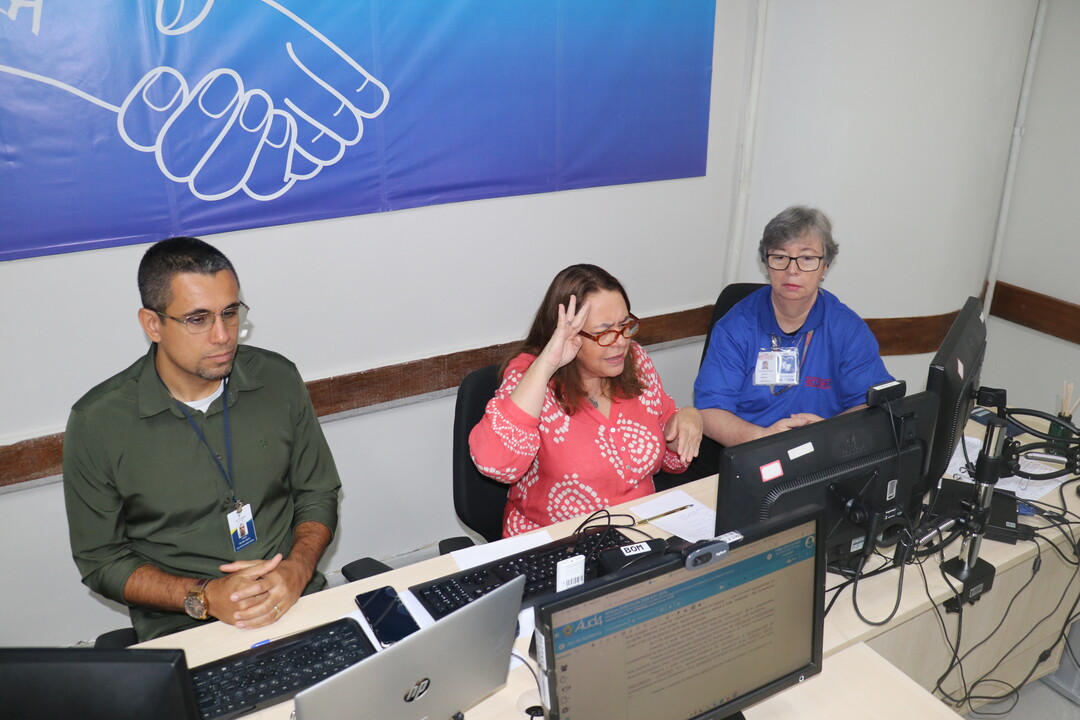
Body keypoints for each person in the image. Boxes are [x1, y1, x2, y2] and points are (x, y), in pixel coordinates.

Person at [63, 237, 341, 641]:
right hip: (185, 625)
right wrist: (205, 596)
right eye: (198, 319)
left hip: (296, 599)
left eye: (230, 313)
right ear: (153, 324)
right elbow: (101, 560)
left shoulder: (277, 379)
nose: (223, 335)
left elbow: (318, 492)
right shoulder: (99, 422)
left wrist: (296, 571)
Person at [470, 264, 703, 537]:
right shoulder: (530, 378)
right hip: (557, 541)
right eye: (604, 332)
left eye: (624, 325)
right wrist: (547, 365)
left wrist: (686, 419)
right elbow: (497, 465)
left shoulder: (635, 361)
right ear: (567, 334)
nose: (620, 342)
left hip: (638, 531)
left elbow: (671, 459)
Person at [694, 206, 893, 447]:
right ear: (766, 264)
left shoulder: (848, 330)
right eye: (780, 257)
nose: (792, 270)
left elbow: (874, 405)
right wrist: (762, 439)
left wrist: (828, 433)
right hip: (752, 450)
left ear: (825, 266)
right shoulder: (735, 326)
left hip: (824, 453)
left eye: (807, 258)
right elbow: (708, 410)